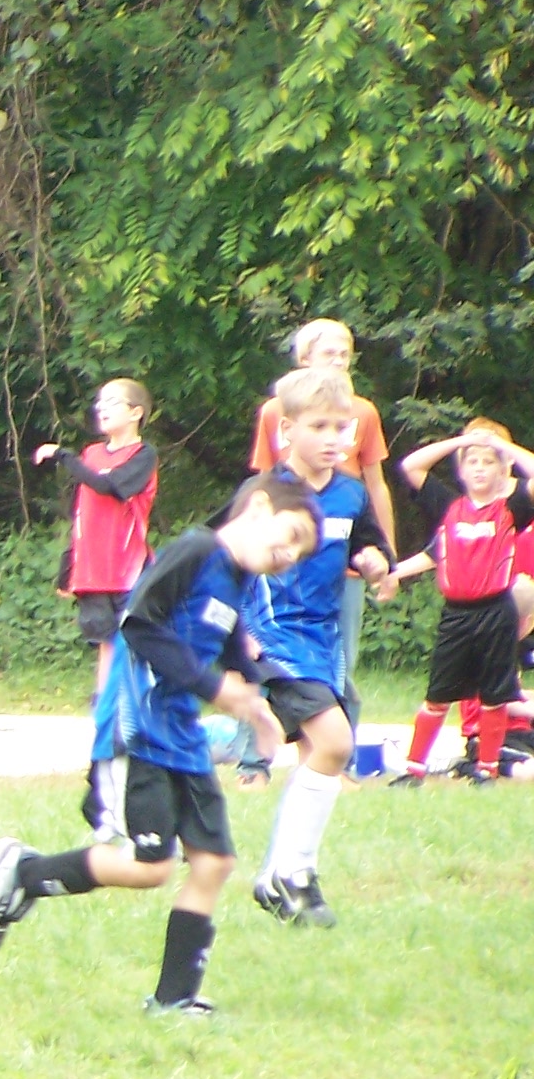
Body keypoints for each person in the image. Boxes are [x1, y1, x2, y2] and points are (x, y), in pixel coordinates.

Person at [0, 475, 320, 1015]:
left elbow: (230, 647)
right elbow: (138, 625)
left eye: (300, 553)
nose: (290, 556)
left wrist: (257, 703)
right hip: (141, 731)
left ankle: (174, 1001)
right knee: (149, 866)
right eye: (292, 535)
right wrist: (214, 688)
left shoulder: (239, 578)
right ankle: (24, 873)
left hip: (182, 735)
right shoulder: (195, 551)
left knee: (214, 862)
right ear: (257, 507)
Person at [241, 368, 394, 927]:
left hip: (322, 641)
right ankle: (293, 873)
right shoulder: (264, 495)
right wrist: (237, 633)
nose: (334, 438)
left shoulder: (351, 494)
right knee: (335, 741)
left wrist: (375, 562)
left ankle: (280, 874)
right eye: (320, 426)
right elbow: (223, 557)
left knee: (320, 755)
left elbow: (370, 547)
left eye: (342, 427)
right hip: (274, 636)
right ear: (287, 430)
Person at [387, 424, 534, 785]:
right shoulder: (449, 506)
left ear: (503, 471)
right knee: (438, 695)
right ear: (461, 470)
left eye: (488, 462)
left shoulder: (510, 510)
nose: (480, 468)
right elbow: (411, 466)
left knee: (494, 695)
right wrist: (465, 441)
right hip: (457, 613)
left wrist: (502, 447)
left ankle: (486, 769)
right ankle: (414, 769)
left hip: (496, 610)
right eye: (472, 462)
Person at [248, 319, 399, 665]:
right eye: (329, 353)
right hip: (280, 584)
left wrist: (383, 557)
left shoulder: (362, 414)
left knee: (339, 666)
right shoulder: (275, 412)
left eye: (345, 355)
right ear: (304, 359)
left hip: (339, 551)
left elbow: (375, 489)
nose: (338, 361)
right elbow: (260, 484)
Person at [33, 377, 159, 700]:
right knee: (105, 641)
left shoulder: (143, 455)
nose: (102, 409)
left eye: (112, 402)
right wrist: (68, 565)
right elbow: (82, 515)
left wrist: (62, 455)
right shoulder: (91, 454)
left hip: (128, 568)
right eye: (100, 402)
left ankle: (137, 704)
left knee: (133, 639)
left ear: (136, 413)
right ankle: (106, 707)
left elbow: (109, 486)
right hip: (93, 570)